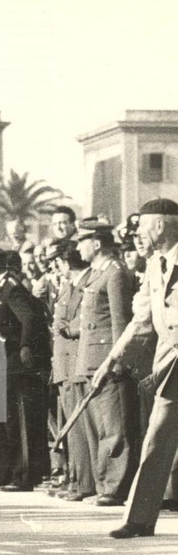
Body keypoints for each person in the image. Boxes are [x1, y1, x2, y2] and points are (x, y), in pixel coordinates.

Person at [93, 199, 178, 538]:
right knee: (156, 438)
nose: (138, 233)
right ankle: (140, 518)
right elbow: (140, 320)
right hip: (171, 363)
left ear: (160, 226)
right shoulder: (155, 266)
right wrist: (110, 360)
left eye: (142, 225)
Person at [0, 247, 50, 491]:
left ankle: (23, 475)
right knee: (0, 421)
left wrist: (25, 345)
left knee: (17, 422)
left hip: (13, 364)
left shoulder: (12, 288)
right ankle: (1, 473)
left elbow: (29, 318)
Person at [75, 221, 139, 506]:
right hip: (91, 360)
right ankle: (105, 485)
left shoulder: (115, 274)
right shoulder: (95, 274)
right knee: (101, 427)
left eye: (82, 241)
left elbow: (119, 322)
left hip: (107, 362)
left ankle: (115, 487)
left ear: (97, 243)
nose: (78, 247)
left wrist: (117, 362)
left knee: (115, 427)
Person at [47, 239, 95, 501]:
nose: (55, 266)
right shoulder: (67, 286)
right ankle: (75, 478)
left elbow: (85, 319)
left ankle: (86, 482)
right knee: (70, 429)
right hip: (65, 364)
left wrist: (68, 327)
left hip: (78, 362)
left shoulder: (88, 282)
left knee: (81, 428)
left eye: (57, 261)